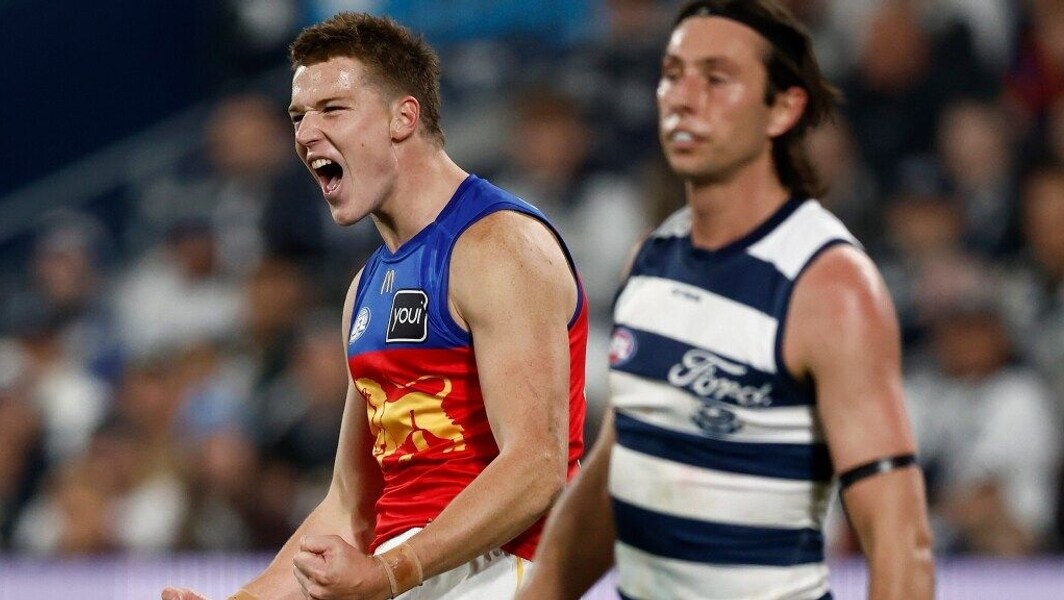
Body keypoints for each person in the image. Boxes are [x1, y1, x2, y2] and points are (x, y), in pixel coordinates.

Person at [162, 11, 588, 600]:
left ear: (402, 117)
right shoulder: (365, 288)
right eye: (298, 116)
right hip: (416, 577)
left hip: (503, 574)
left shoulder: (499, 246)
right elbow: (349, 506)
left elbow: (537, 467)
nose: (307, 134)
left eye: (332, 109)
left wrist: (392, 571)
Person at [518, 2, 935, 599]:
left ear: (783, 108)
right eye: (672, 74)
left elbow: (900, 542)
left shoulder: (828, 285)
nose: (683, 98)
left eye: (716, 78)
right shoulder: (650, 260)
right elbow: (623, 460)